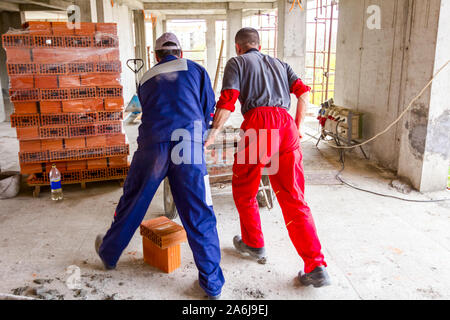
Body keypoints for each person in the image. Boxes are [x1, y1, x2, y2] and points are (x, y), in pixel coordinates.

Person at [95, 33, 224, 299]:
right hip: (186, 145)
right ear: (181, 52)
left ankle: (109, 254)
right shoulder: (196, 70)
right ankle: (212, 284)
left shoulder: (145, 78)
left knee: (133, 201)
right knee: (199, 211)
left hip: (152, 146)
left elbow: (149, 108)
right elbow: (207, 108)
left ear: (155, 56)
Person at [205, 27, 330, 287]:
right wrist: (296, 125)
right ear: (258, 45)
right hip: (286, 125)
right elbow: (304, 93)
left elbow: (229, 100)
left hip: (259, 123)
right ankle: (316, 265)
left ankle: (253, 243)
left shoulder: (236, 62)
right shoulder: (281, 64)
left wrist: (212, 134)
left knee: (244, 189)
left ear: (238, 47)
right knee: (294, 197)